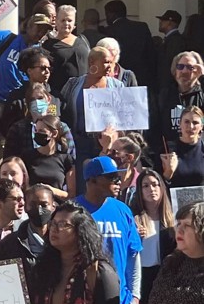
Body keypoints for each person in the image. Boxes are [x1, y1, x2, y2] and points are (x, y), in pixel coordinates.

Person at [74, 156, 142, 304]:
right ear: (92, 180)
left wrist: (135, 296)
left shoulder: (122, 210)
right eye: (111, 177)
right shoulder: (74, 211)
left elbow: (134, 255)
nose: (118, 180)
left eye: (118, 175)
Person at [59, 46, 124, 191]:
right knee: (84, 186)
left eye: (111, 62)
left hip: (107, 144)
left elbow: (124, 116)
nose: (109, 66)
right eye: (106, 62)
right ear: (92, 62)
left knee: (107, 184)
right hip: (80, 145)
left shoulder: (117, 86)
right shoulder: (73, 84)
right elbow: (63, 110)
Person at [130, 169, 175, 304]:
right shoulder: (134, 219)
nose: (152, 189)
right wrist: (134, 237)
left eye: (155, 184)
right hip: (142, 276)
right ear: (140, 191)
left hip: (164, 274)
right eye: (146, 186)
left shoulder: (171, 219)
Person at [0, 13, 53, 103]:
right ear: (29, 26)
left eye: (44, 31)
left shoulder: (40, 54)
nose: (41, 33)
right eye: (39, 28)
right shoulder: (8, 37)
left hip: (20, 101)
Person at [0, 183, 56, 278]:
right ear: (25, 207)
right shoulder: (9, 244)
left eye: (44, 205)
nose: (39, 210)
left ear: (53, 206)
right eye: (33, 205)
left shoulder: (62, 241)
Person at [155, 51, 204, 149]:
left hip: (197, 152)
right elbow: (156, 127)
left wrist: (200, 78)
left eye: (190, 67)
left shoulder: (201, 95)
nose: (184, 71)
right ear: (175, 70)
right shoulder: (165, 95)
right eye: (180, 67)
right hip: (170, 152)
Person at [104, 0, 157, 86]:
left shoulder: (109, 31)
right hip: (143, 77)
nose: (106, 17)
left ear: (112, 14)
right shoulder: (142, 27)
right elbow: (151, 54)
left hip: (120, 79)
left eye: (107, 14)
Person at [22, 115, 75, 199]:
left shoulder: (66, 159)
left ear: (54, 133)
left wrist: (50, 190)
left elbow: (71, 194)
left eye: (41, 131)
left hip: (57, 206)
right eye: (36, 131)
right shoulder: (27, 157)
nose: (37, 134)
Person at [43, 5, 89, 94]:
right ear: (56, 21)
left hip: (83, 94)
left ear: (74, 22)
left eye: (69, 20)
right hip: (59, 95)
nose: (66, 23)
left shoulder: (83, 40)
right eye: (63, 20)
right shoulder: (48, 45)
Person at [160, 105, 204, 188]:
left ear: (201, 126)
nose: (190, 127)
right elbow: (156, 187)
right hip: (173, 199)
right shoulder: (167, 149)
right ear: (179, 124)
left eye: (195, 123)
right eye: (186, 122)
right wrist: (168, 173)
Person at [103, 134, 146, 206]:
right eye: (109, 151)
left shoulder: (142, 184)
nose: (109, 155)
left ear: (129, 157)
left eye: (114, 152)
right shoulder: (104, 181)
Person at [157, 10, 187, 90]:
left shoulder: (175, 41)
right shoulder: (170, 40)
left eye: (163, 20)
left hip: (169, 88)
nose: (160, 22)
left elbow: (169, 64)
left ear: (170, 22)